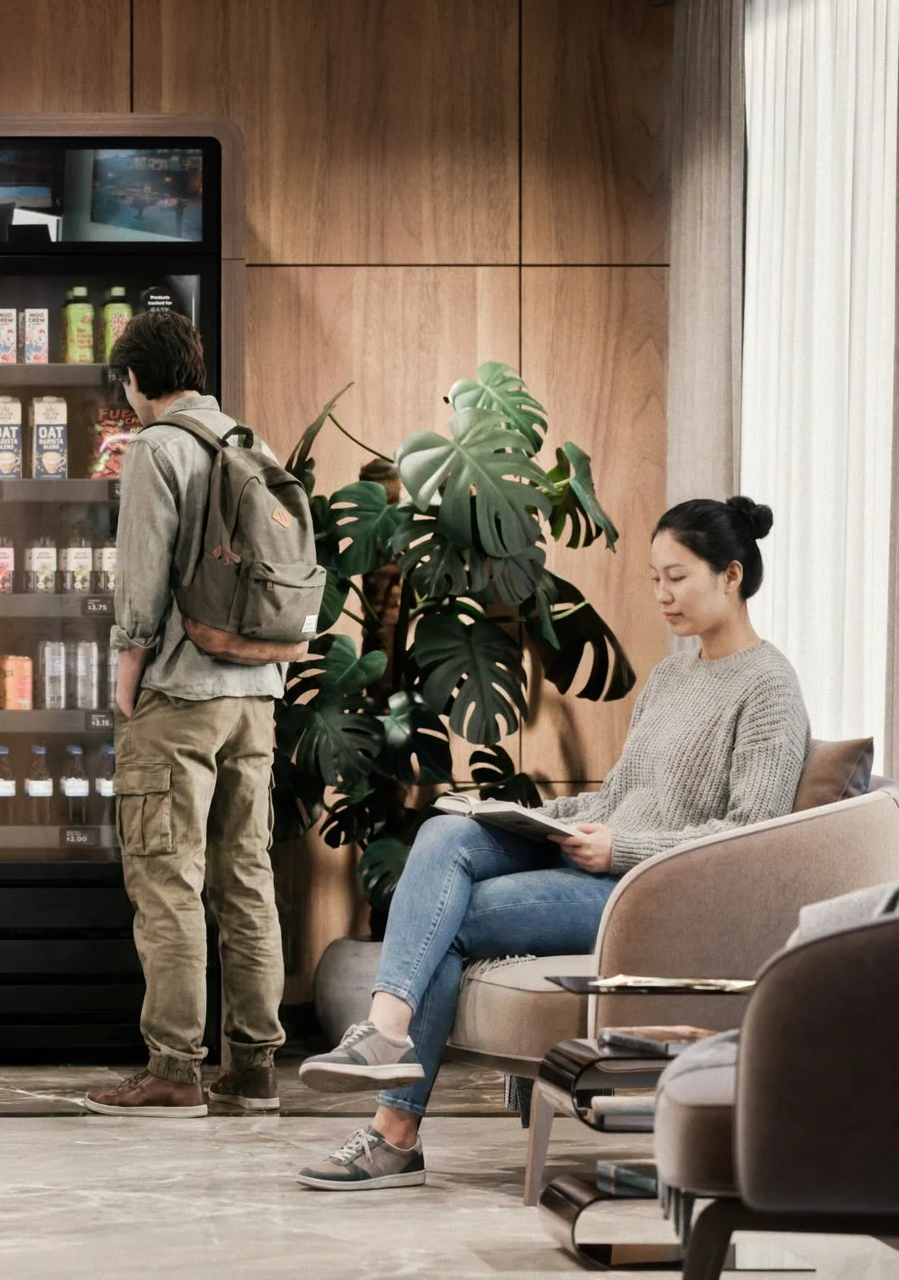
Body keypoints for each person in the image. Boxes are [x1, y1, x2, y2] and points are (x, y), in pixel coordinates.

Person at [295, 497, 809, 1191]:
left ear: (731, 576)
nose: (662, 595)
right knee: (449, 830)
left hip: (646, 893)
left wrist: (620, 848)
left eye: (678, 577)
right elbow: (620, 792)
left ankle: (395, 1134)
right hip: (602, 861)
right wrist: (528, 815)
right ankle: (386, 1032)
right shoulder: (671, 675)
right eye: (654, 577)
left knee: (446, 919)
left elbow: (750, 838)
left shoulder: (769, 687)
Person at [82, 310, 289, 1119]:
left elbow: (141, 581)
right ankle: (255, 1067)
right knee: (247, 877)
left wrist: (127, 675)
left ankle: (173, 1069)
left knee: (167, 882)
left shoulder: (155, 448)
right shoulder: (250, 441)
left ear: (134, 382)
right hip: (256, 696)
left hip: (179, 695)